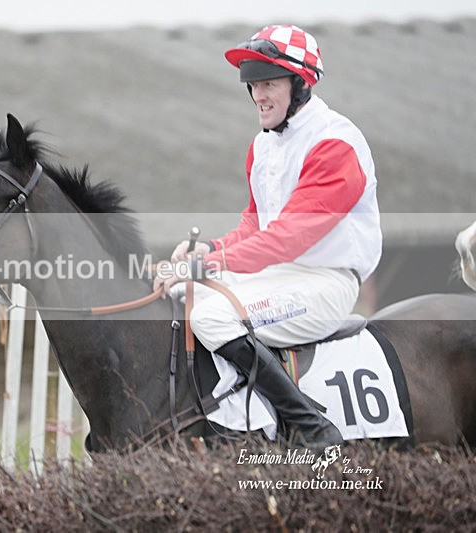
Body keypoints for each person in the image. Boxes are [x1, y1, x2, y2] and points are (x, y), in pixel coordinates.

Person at [154, 24, 382, 449]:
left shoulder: (335, 143)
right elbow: (254, 227)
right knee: (184, 296)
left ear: (301, 84)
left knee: (211, 317)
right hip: (279, 276)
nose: (259, 95)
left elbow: (286, 239)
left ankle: (310, 424)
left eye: (269, 83)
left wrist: (206, 264)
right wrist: (209, 248)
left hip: (325, 283)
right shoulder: (262, 146)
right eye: (254, 84)